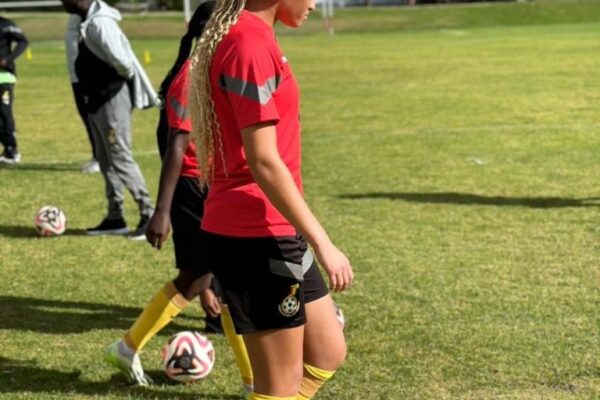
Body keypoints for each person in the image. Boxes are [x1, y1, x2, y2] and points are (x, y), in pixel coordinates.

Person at [189, 0, 354, 398]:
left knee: (328, 352)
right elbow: (263, 160)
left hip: (275, 227)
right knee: (278, 386)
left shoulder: (255, 35)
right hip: (254, 234)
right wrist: (323, 241)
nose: (315, 3)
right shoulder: (248, 43)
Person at [105, 2, 253, 394]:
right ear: (211, 33)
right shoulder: (190, 77)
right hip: (192, 190)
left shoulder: (207, 70)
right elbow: (177, 145)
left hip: (208, 187)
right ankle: (252, 380)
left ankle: (128, 346)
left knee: (207, 279)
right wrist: (162, 210)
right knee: (210, 279)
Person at [60, 0, 158, 240]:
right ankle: (116, 217)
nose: (63, 2)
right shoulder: (87, 21)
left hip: (111, 100)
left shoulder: (100, 23)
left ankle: (149, 215)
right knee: (105, 160)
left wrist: (108, 84)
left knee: (120, 157)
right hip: (96, 100)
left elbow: (124, 64)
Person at [65, 14, 99, 174]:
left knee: (92, 117)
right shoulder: (74, 14)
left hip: (85, 75)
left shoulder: (87, 11)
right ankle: (97, 156)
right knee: (85, 116)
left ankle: (101, 157)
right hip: (75, 74)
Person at [0, 15, 27, 164]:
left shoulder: (5, 24)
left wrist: (8, 59)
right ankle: (7, 149)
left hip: (3, 77)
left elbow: (23, 41)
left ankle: (12, 150)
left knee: (5, 113)